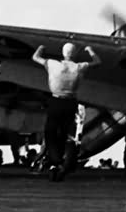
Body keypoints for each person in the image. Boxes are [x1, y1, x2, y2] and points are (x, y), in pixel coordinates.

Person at [32, 39, 102, 181]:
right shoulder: (79, 67)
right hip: (71, 102)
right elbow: (97, 62)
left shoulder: (53, 64)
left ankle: (54, 161)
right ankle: (61, 161)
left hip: (56, 100)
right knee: (64, 133)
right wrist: (90, 50)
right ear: (74, 54)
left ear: (63, 53)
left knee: (50, 132)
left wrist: (40, 47)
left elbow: (35, 58)